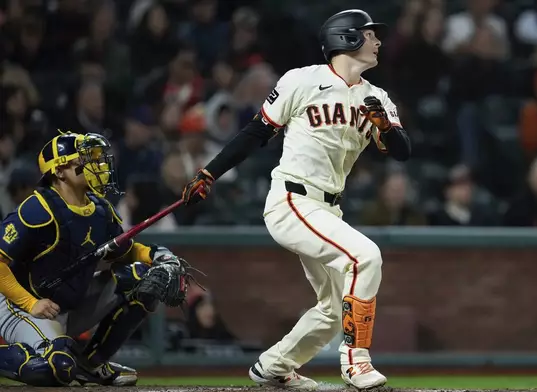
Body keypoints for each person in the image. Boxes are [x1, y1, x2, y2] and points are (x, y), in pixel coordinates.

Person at [181, 9, 411, 390]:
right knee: (365, 256)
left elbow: (401, 151)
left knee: (335, 310)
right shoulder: (302, 80)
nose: (378, 41)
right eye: (370, 34)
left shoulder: (377, 97)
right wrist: (210, 172)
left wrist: (385, 128)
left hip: (329, 209)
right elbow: (256, 133)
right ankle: (356, 361)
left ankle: (272, 366)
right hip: (293, 200)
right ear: (347, 37)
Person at [0, 131, 189, 387]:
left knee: (140, 278)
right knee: (58, 367)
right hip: (22, 306)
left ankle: (91, 364)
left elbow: (124, 251)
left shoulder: (100, 209)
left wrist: (156, 255)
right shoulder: (37, 209)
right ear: (60, 171)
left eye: (97, 159)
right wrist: (31, 303)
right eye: (85, 161)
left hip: (66, 304)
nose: (96, 166)